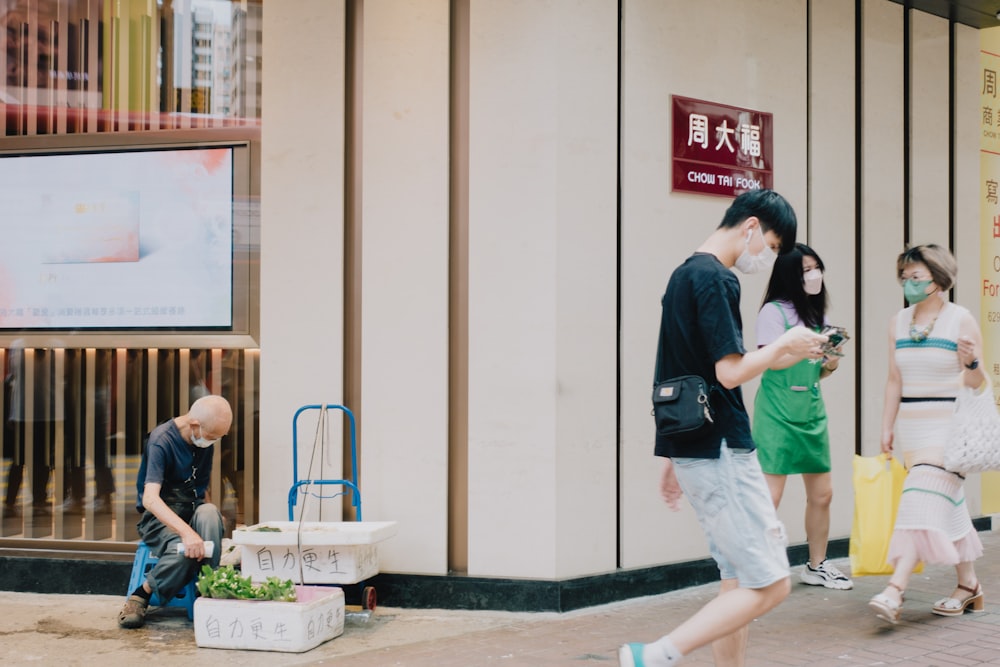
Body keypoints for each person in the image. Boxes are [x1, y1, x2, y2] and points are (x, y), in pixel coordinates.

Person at [620, 190, 829, 667]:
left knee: (738, 579)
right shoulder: (718, 279)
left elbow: (672, 371)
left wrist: (673, 454)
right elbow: (729, 372)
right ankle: (652, 656)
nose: (768, 258)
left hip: (698, 448)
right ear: (751, 226)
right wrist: (785, 345)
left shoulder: (683, 275)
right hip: (721, 449)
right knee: (771, 582)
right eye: (772, 246)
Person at [868, 244, 985, 624]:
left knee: (919, 500)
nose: (909, 284)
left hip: (950, 427)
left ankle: (895, 590)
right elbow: (894, 379)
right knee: (944, 503)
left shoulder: (961, 320)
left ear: (939, 279)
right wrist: (886, 426)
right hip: (913, 429)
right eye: (905, 277)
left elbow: (977, 381)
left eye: (916, 277)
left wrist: (972, 363)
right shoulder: (898, 322)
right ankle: (969, 586)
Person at [751, 244, 852, 591]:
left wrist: (831, 360)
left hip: (811, 411)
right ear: (788, 276)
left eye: (817, 268)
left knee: (823, 494)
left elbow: (816, 373)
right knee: (770, 497)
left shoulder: (816, 315)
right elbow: (769, 361)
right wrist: (799, 350)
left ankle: (817, 565)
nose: (814, 275)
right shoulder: (773, 312)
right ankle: (756, 571)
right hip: (777, 412)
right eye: (805, 269)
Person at [117, 395, 233, 629]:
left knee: (210, 513)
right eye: (211, 437)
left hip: (191, 509)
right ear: (194, 426)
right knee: (184, 551)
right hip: (161, 518)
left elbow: (201, 486)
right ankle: (142, 594)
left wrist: (211, 522)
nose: (212, 442)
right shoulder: (162, 440)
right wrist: (187, 533)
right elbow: (150, 499)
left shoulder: (204, 439)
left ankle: (209, 588)